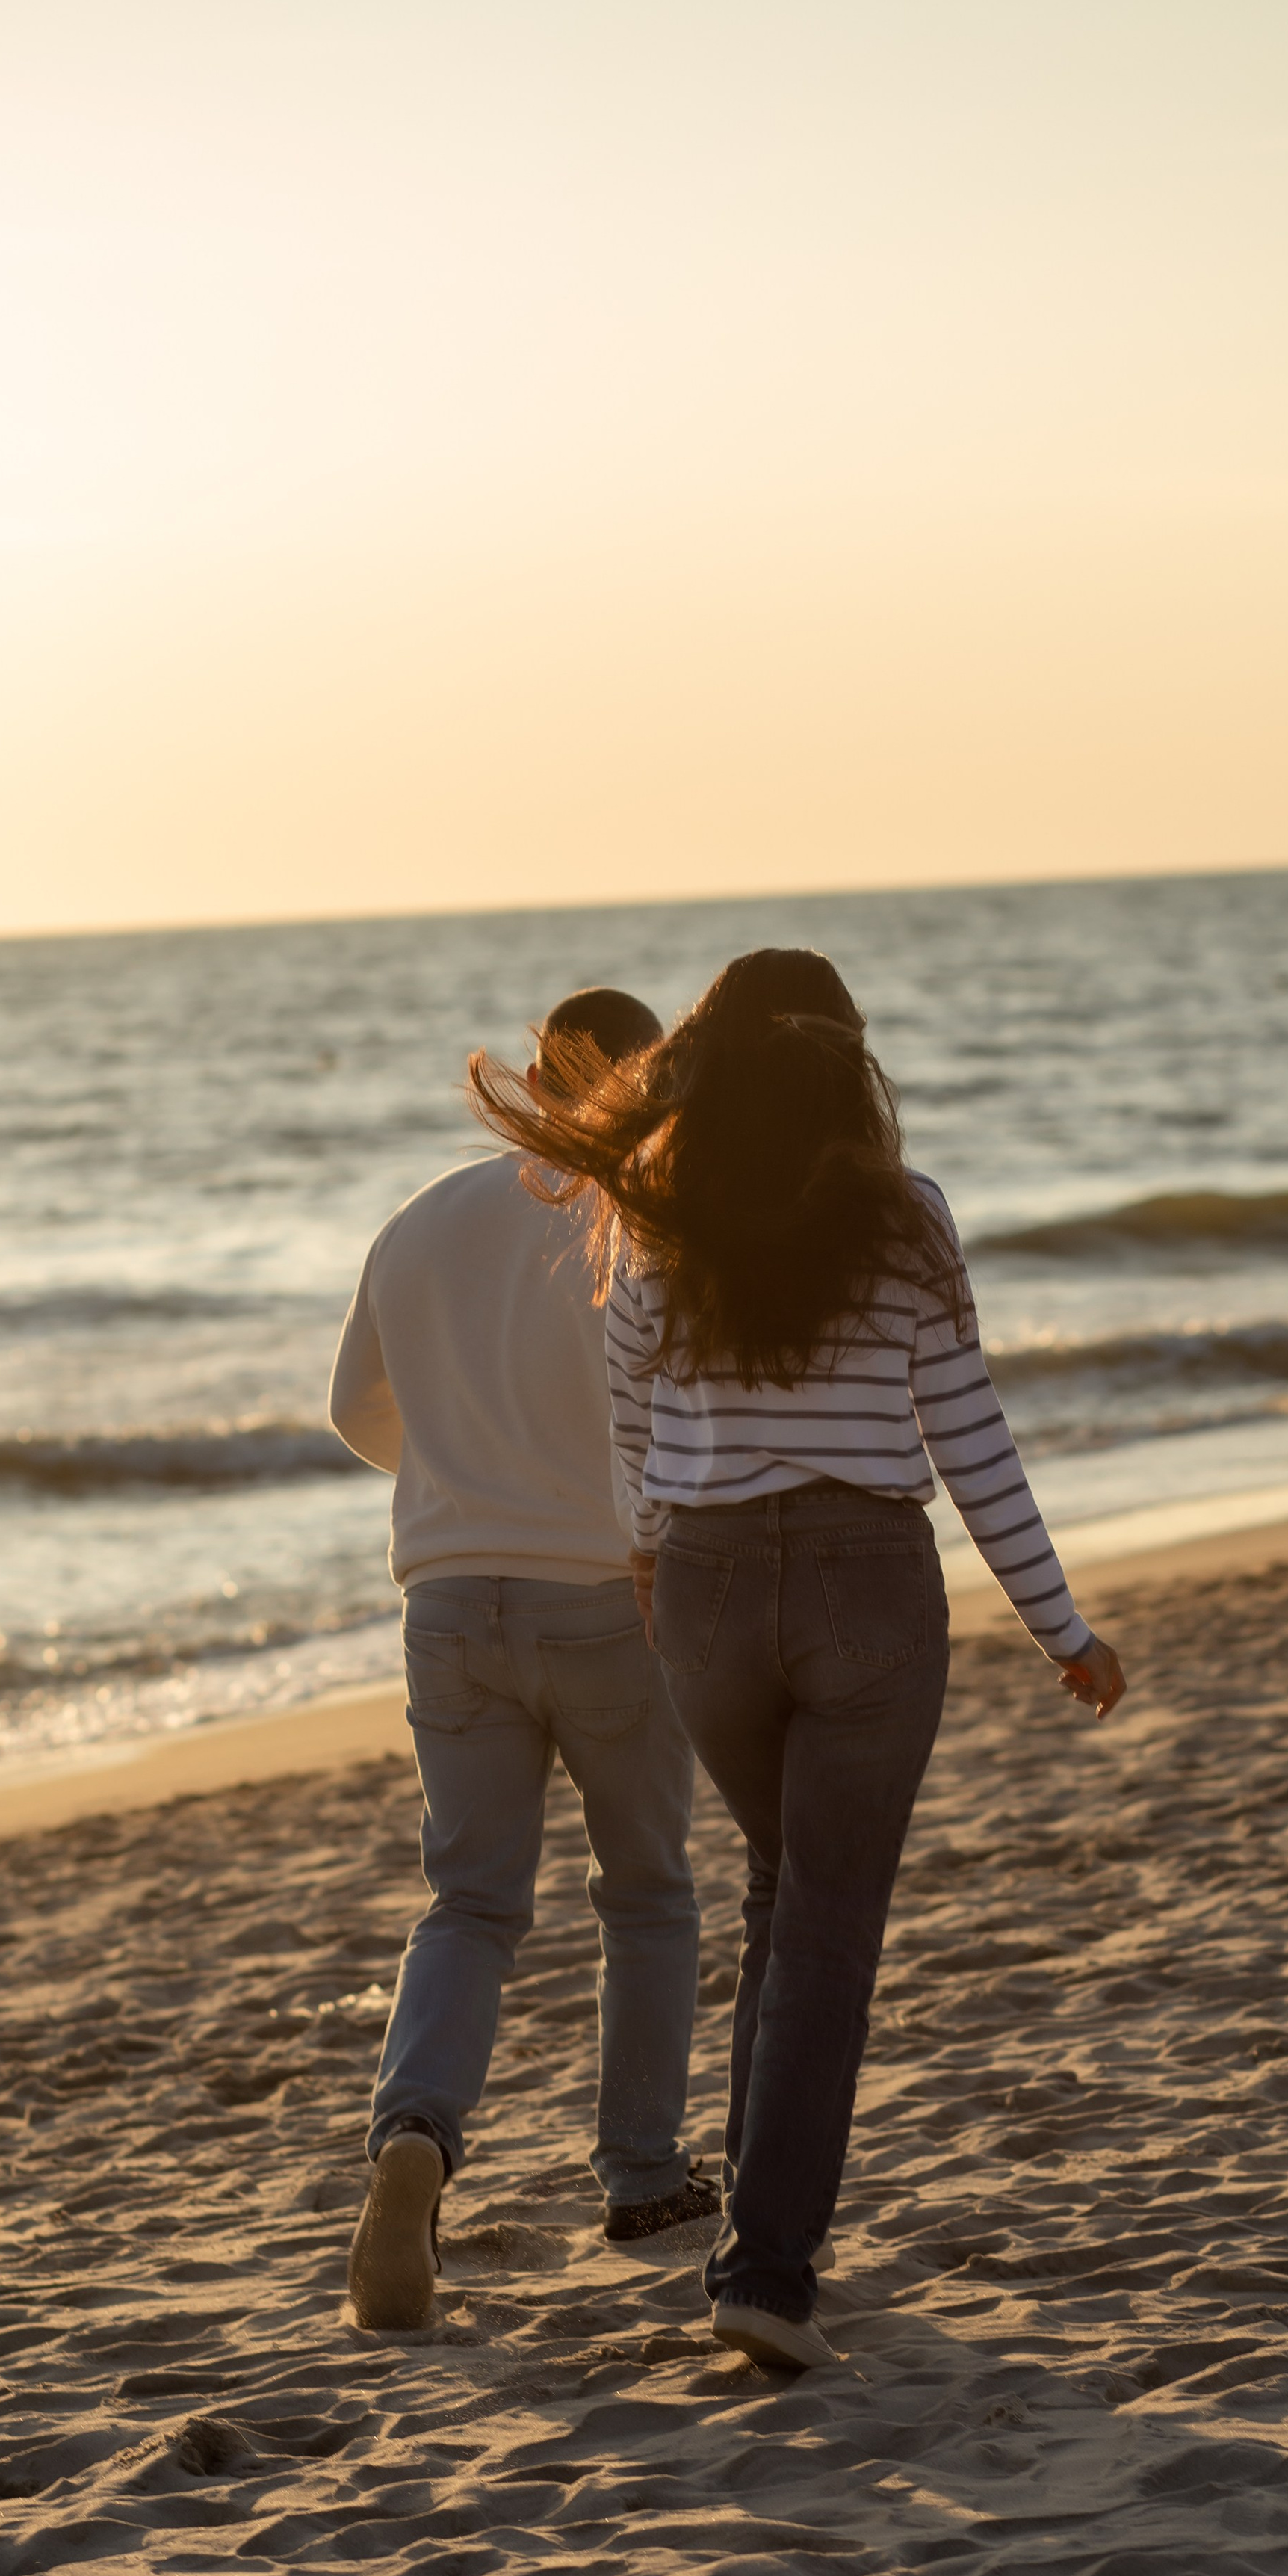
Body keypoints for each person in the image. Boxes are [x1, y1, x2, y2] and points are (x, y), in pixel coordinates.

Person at [468, 948, 1125, 2371]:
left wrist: (655, 1557)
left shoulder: (655, 1217)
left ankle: (750, 2241)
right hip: (862, 1586)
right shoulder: (907, 1220)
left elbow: (632, 1418)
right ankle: (766, 2267)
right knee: (827, 1921)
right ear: (845, 1063)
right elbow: (970, 1441)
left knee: (784, 1894)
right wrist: (1059, 1627)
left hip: (701, 1593)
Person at [332, 986, 717, 2335]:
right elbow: (689, 1412)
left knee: (471, 1906)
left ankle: (416, 2143)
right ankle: (644, 2180)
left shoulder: (423, 1217)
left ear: (541, 1078)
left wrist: (463, 1478)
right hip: (606, 1595)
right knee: (648, 1893)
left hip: (447, 1596)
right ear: (639, 1083)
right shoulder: (645, 1223)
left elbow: (352, 1409)